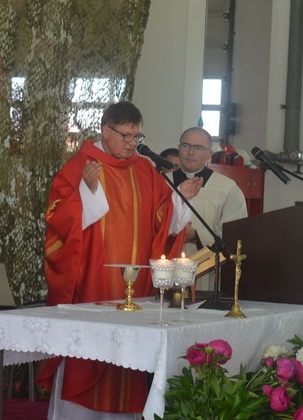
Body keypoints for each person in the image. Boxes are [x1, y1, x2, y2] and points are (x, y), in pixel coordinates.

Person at [38, 101, 202, 419]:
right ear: (105, 129)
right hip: (92, 285)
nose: (131, 142)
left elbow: (162, 225)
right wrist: (87, 189)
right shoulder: (80, 166)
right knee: (87, 360)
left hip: (134, 290)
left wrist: (181, 200)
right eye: (126, 135)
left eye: (136, 136)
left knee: (126, 364)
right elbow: (57, 221)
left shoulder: (144, 170)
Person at [169, 127, 247, 261]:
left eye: (198, 148)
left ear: (209, 154)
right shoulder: (162, 182)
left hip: (206, 269)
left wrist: (196, 235)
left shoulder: (226, 188)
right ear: (179, 148)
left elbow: (235, 233)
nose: (191, 152)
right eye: (186, 146)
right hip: (165, 265)